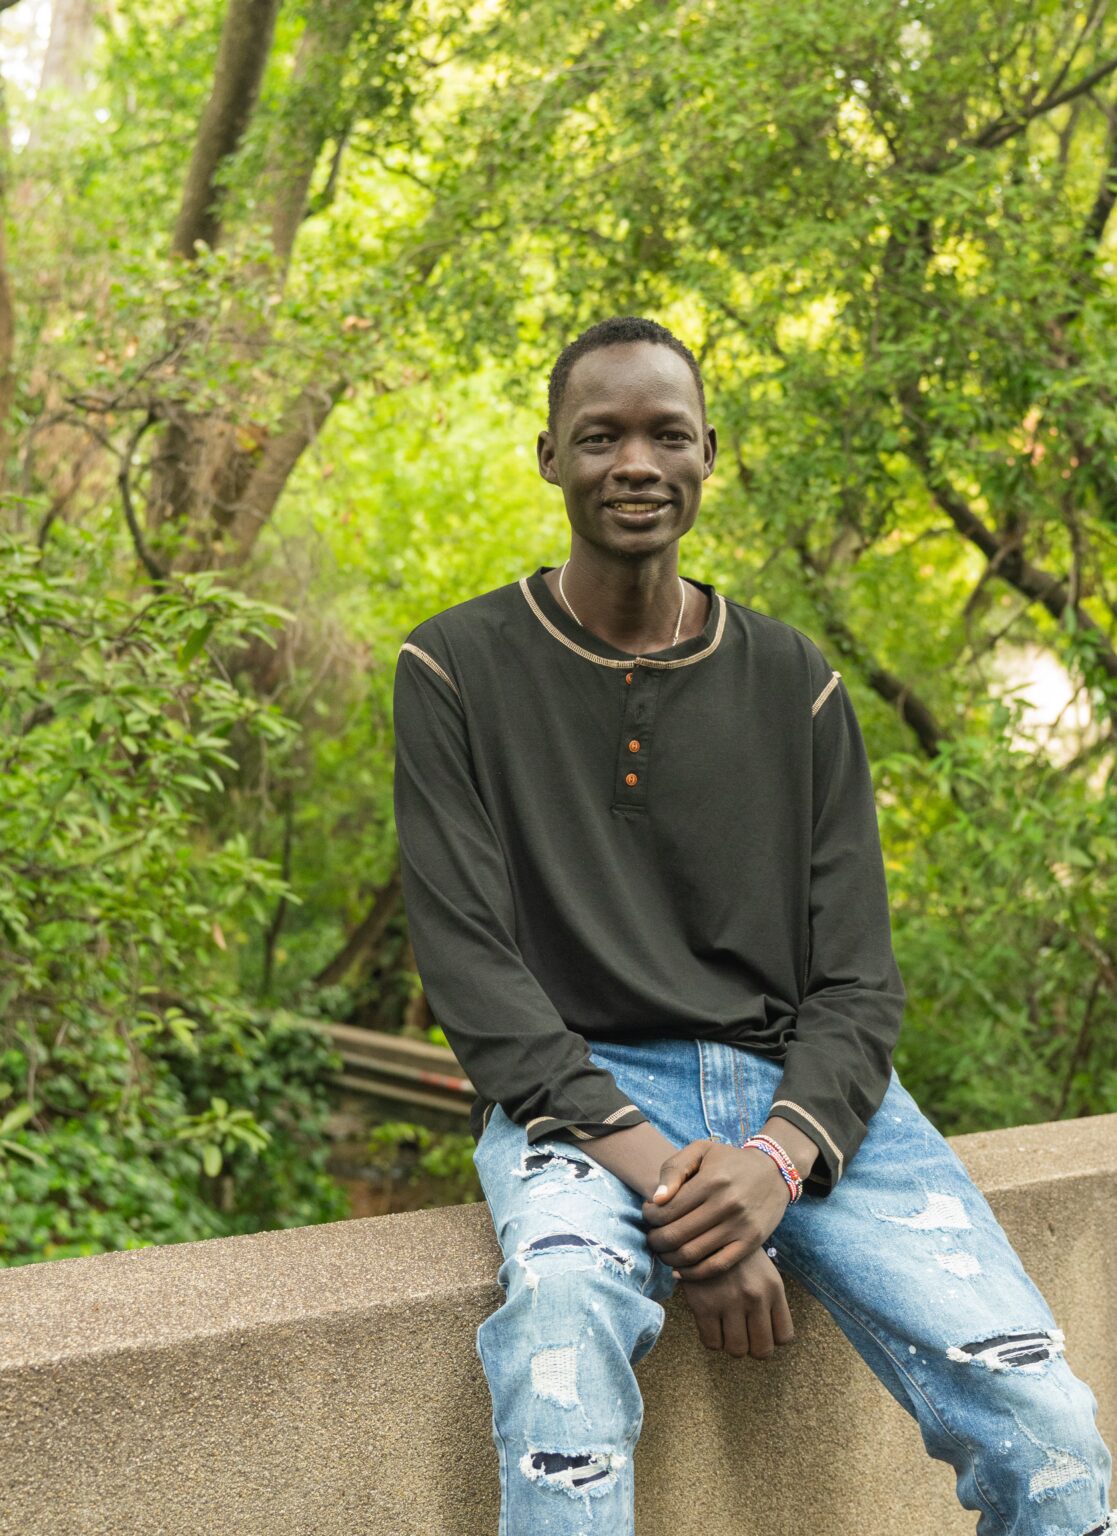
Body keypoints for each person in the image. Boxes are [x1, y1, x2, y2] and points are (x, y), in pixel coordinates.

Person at [392, 315, 1114, 1536]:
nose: (635, 461)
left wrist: (774, 1165)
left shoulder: (797, 681)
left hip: (807, 1097)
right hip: (585, 1097)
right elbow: (477, 978)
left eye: (666, 434)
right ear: (548, 457)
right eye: (599, 435)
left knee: (1042, 1419)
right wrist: (696, 1212)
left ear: (707, 454)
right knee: (559, 1343)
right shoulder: (455, 668)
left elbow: (859, 981)